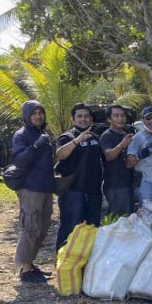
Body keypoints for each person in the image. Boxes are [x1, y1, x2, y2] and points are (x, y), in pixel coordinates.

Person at [11, 100, 55, 282]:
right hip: (30, 188)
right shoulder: (21, 135)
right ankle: (25, 269)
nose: (38, 116)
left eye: (40, 112)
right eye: (34, 113)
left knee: (43, 228)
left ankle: (30, 264)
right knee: (30, 227)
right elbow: (19, 160)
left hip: (45, 187)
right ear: (27, 115)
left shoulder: (42, 133)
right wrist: (35, 145)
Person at [55, 103, 103, 250]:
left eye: (87, 116)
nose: (84, 119)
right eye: (80, 116)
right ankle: (63, 265)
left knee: (91, 229)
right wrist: (77, 140)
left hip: (94, 192)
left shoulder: (95, 137)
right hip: (73, 192)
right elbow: (60, 155)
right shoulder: (67, 137)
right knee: (70, 229)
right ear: (73, 119)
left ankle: (83, 264)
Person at [100, 105, 134, 216]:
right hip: (115, 186)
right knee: (118, 221)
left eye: (123, 115)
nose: (120, 118)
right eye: (116, 115)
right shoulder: (107, 136)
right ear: (109, 119)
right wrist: (121, 145)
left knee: (128, 218)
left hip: (129, 182)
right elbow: (109, 156)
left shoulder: (126, 133)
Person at [127, 106, 152, 207]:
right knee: (146, 214)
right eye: (148, 118)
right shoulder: (136, 138)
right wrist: (139, 156)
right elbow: (129, 164)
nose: (151, 121)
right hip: (145, 183)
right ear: (142, 120)